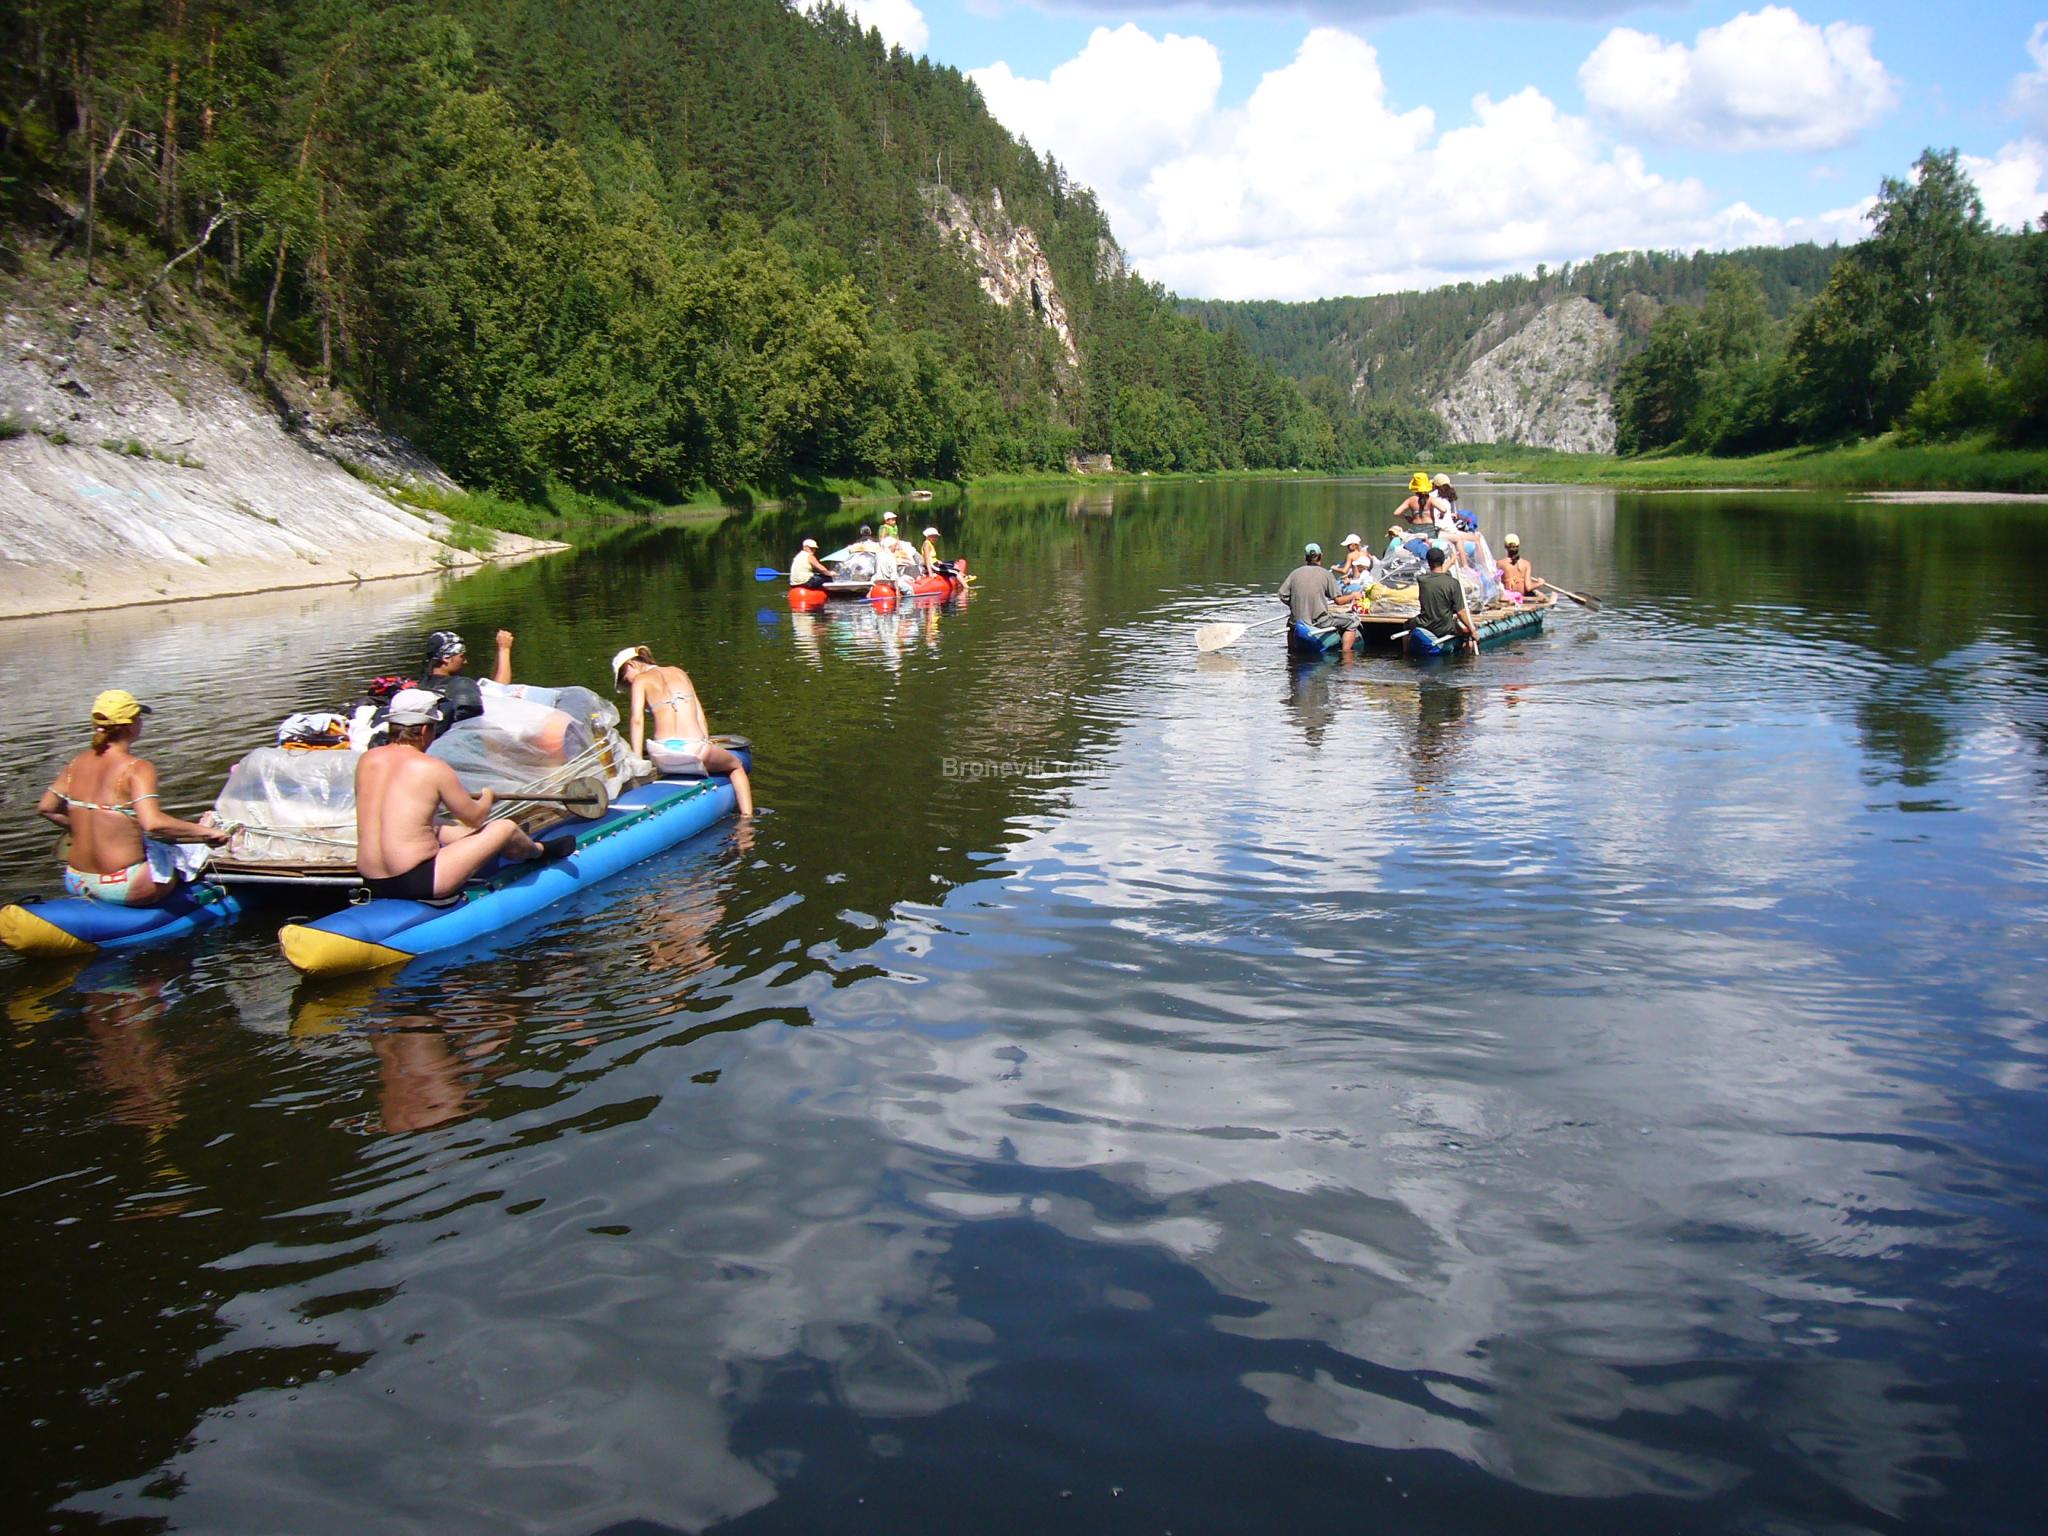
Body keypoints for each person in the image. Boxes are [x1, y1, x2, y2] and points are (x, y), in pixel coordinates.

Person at [354, 687, 561, 901]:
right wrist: (488, 796)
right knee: (504, 827)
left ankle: (501, 846)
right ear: (425, 730)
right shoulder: (432, 767)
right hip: (417, 880)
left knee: (434, 823)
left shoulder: (367, 760)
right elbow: (475, 817)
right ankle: (538, 850)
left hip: (373, 880)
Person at [37, 690, 232, 905]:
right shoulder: (137, 767)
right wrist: (207, 832)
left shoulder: (76, 763)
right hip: (122, 884)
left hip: (74, 878)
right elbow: (153, 823)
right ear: (131, 725)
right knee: (191, 856)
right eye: (139, 717)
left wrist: (82, 827)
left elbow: (47, 808)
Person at [612, 645, 756, 814]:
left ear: (631, 664)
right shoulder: (678, 672)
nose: (626, 683)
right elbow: (699, 713)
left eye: (623, 678)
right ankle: (747, 822)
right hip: (694, 750)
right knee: (736, 766)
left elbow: (637, 720)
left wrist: (637, 760)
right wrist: (706, 742)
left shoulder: (640, 681)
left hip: (662, 753)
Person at [1277, 542, 1359, 658]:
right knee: (1353, 621)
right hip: (1319, 621)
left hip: (1298, 620)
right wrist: (1353, 596)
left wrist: (1294, 604)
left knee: (1290, 623)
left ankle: (1291, 653)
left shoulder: (1294, 573)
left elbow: (1282, 595)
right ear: (1321, 556)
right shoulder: (1326, 574)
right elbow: (1338, 601)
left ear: (1305, 557)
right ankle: (1346, 657)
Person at [419, 628, 513, 727]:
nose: (465, 662)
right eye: (462, 656)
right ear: (446, 658)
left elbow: (493, 686)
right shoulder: (459, 686)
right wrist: (504, 650)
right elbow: (499, 692)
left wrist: (500, 651)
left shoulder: (422, 686)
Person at [1414, 546, 1478, 653]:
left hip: (1425, 625)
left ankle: (1406, 656)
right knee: (1466, 634)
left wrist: (1451, 562)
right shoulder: (1453, 583)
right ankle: (1467, 659)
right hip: (1444, 629)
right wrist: (1472, 630)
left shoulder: (1422, 580)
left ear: (1428, 562)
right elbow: (1461, 612)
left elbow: (1437, 575)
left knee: (1407, 625)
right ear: (1442, 561)